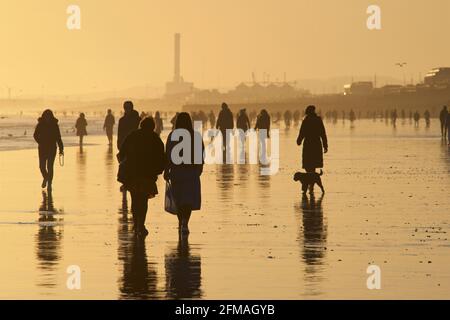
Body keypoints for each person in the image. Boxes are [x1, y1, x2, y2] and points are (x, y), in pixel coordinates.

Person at [117, 117, 165, 237]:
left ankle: (136, 223)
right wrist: (158, 171)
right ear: (152, 127)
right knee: (143, 200)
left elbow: (121, 153)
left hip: (132, 174)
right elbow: (161, 157)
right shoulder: (155, 138)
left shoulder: (133, 135)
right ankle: (141, 224)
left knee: (134, 199)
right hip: (148, 174)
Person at [165, 112, 204, 234]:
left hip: (176, 172)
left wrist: (167, 170)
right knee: (188, 199)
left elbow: (168, 154)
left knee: (179, 199)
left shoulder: (173, 136)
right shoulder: (195, 136)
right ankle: (185, 222)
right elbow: (200, 153)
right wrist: (199, 168)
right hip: (191, 172)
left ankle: (181, 221)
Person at [297, 105, 328, 193]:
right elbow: (323, 133)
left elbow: (302, 132)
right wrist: (325, 145)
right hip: (316, 144)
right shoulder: (318, 120)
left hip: (308, 144)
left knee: (308, 165)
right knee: (313, 165)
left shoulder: (306, 120)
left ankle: (310, 184)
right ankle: (311, 185)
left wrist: (299, 140)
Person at [33, 109, 64, 190]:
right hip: (42, 148)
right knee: (42, 167)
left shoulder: (54, 125)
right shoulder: (40, 124)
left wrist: (61, 148)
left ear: (51, 116)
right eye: (46, 116)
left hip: (52, 148)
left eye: (49, 116)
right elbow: (35, 135)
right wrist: (40, 142)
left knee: (50, 166)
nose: (47, 117)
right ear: (44, 116)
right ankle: (46, 177)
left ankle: (49, 184)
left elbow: (58, 137)